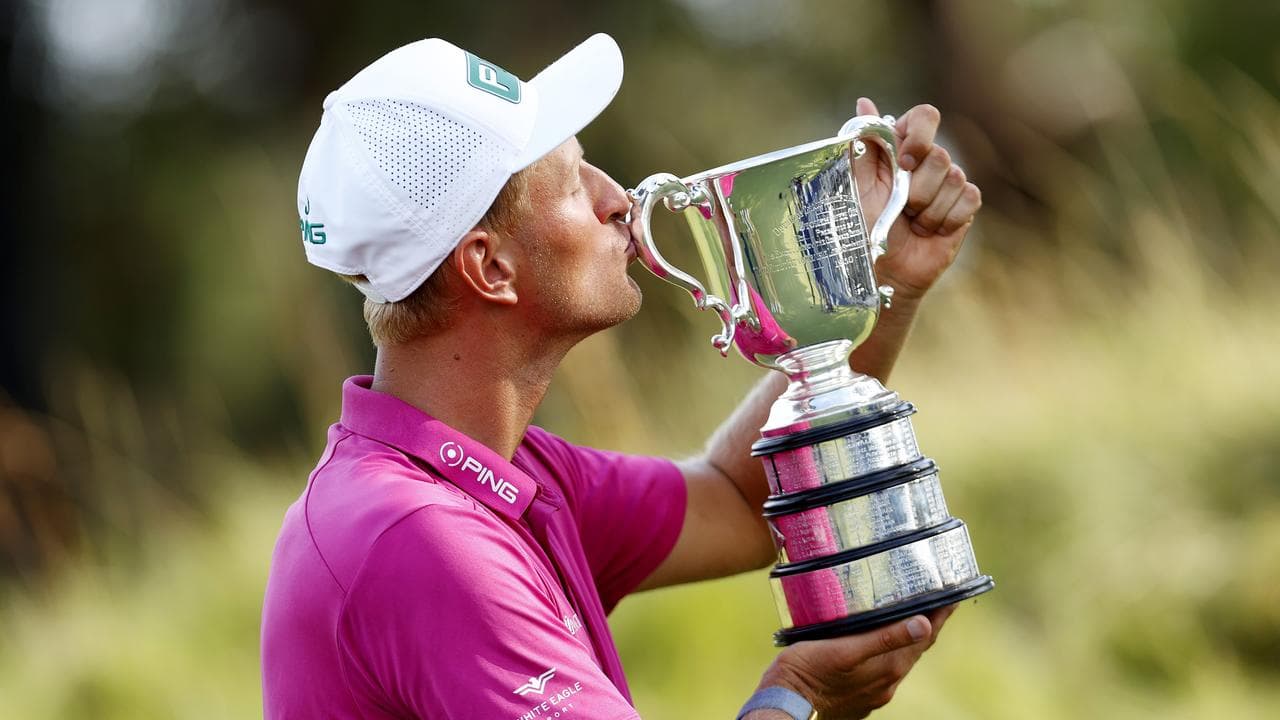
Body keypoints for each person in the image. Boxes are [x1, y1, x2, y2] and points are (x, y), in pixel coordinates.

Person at [262, 32, 981, 720]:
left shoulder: (502, 475)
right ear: (489, 267)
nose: (620, 199)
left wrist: (878, 280)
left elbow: (735, 503)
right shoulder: (422, 538)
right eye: (574, 181)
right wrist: (796, 691)